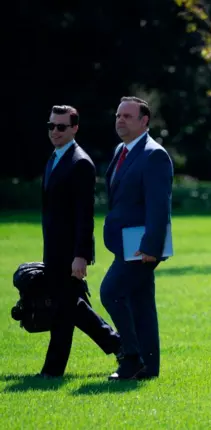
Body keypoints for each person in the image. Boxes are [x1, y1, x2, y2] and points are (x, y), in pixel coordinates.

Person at [39, 105, 121, 378]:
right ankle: (121, 348)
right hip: (53, 250)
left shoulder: (80, 162)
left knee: (68, 309)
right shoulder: (54, 158)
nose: (55, 132)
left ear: (74, 128)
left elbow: (85, 216)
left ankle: (54, 370)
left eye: (61, 127)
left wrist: (81, 255)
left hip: (69, 253)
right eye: (51, 126)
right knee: (69, 308)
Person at [100, 96, 174, 380]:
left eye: (128, 116)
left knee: (110, 291)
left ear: (144, 121)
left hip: (142, 245)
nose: (120, 120)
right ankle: (148, 367)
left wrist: (151, 247)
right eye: (118, 115)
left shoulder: (154, 154)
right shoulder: (121, 149)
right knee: (141, 303)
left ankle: (131, 357)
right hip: (125, 242)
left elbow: (159, 206)